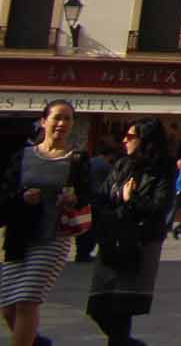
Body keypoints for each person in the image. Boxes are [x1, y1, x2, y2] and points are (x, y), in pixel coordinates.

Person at [1, 98, 89, 346]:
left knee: (27, 299)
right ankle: (36, 342)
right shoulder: (23, 156)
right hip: (19, 236)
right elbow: (5, 193)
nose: (62, 123)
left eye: (68, 118)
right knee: (8, 307)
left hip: (53, 236)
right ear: (44, 121)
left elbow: (88, 195)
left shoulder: (77, 159)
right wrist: (22, 198)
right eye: (57, 117)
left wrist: (75, 198)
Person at [85, 119, 174, 346]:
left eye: (131, 136)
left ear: (145, 140)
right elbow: (102, 197)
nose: (124, 140)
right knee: (98, 307)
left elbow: (159, 207)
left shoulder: (162, 169)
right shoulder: (121, 165)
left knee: (121, 308)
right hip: (112, 238)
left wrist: (131, 199)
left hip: (139, 243)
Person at [75, 144, 113, 263]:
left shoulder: (90, 162)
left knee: (84, 227)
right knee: (94, 228)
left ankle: (81, 253)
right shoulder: (106, 166)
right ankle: (86, 252)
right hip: (97, 199)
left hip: (86, 198)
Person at [168, 158, 181, 240]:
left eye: (179, 164)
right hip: (179, 192)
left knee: (174, 209)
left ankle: (168, 225)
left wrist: (180, 190)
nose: (177, 165)